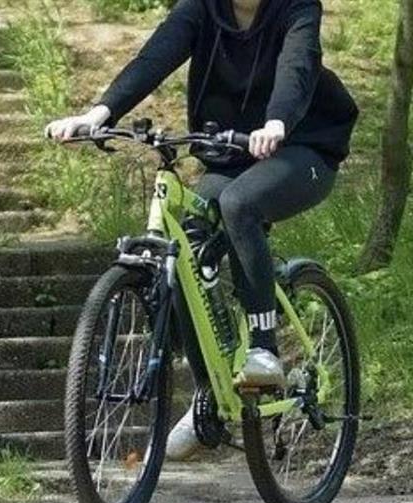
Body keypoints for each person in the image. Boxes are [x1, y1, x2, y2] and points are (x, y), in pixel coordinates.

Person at [45, 0, 357, 458]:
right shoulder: (201, 8)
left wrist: (277, 121)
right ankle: (209, 393)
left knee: (239, 204)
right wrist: (98, 115)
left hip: (302, 145)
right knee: (188, 242)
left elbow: (298, 65)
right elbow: (155, 57)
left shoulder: (297, 8)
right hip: (231, 151)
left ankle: (264, 349)